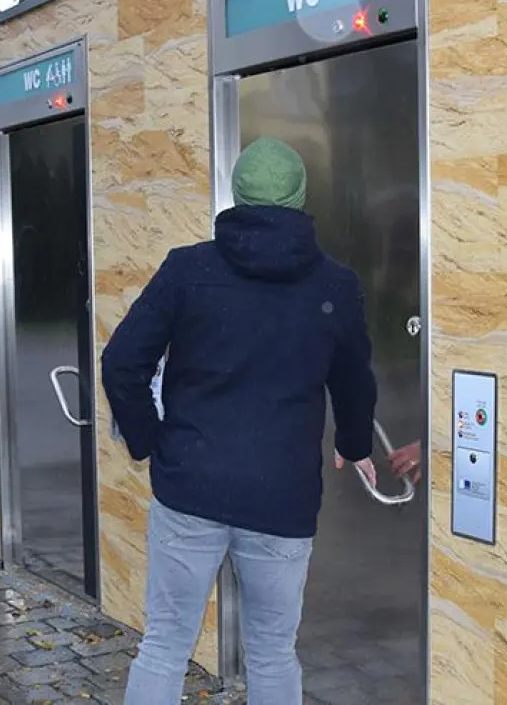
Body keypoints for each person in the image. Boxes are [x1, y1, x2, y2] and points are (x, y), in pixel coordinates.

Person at [101, 136, 380, 705]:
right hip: (282, 497)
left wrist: (149, 441)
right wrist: (353, 444)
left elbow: (121, 362)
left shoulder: (187, 270)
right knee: (274, 653)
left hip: (189, 487)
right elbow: (354, 382)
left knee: (164, 644)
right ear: (300, 199)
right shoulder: (335, 285)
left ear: (238, 194)